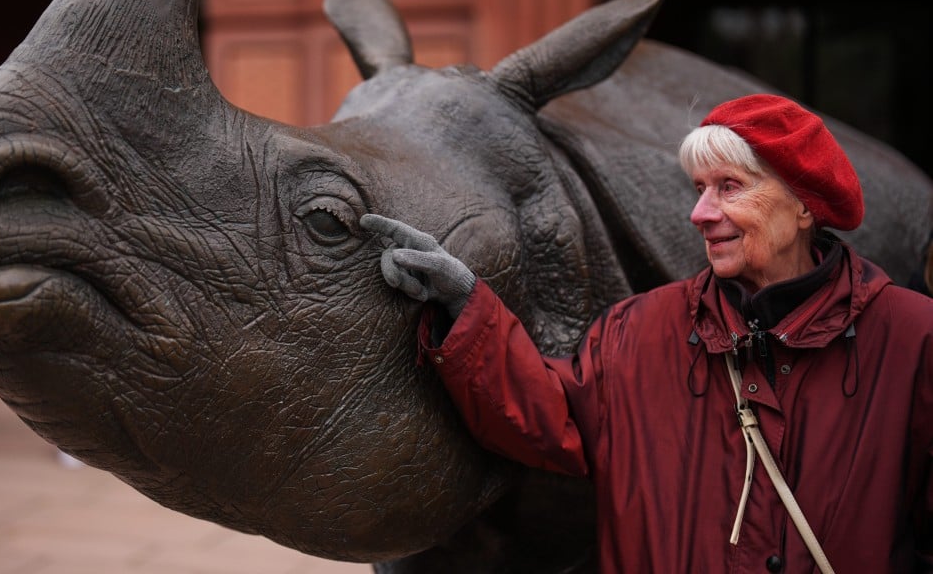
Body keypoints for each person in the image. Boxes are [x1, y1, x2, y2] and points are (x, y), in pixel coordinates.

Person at [360, 94, 933, 573]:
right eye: (699, 189)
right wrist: (463, 305)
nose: (700, 213)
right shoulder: (637, 331)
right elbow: (549, 413)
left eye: (729, 187)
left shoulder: (913, 339)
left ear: (805, 206)